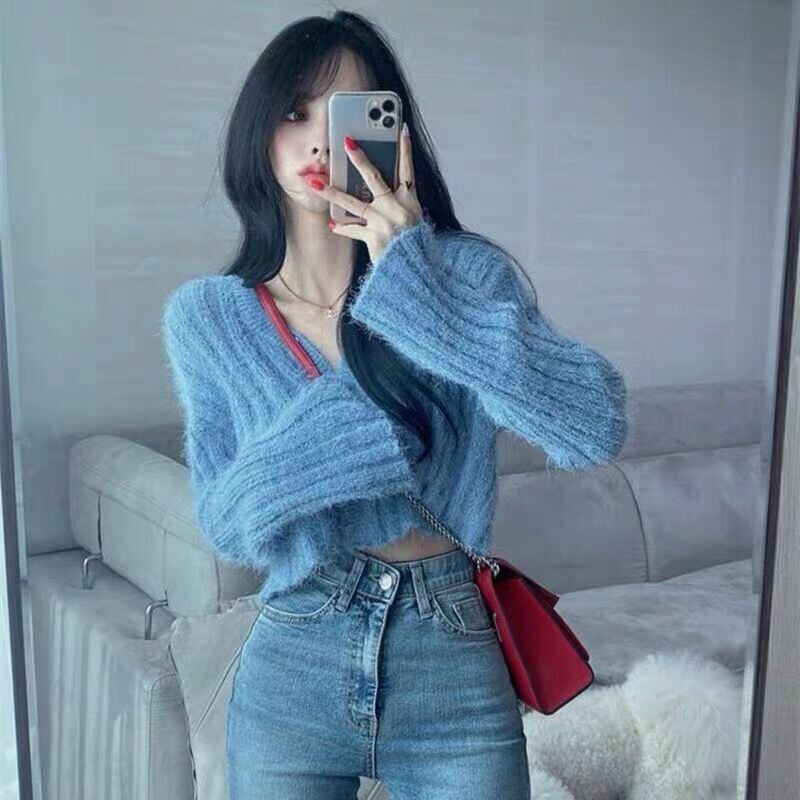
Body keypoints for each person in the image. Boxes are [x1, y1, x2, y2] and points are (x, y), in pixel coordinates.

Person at [161, 10, 628, 800]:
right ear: (258, 132)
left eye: (347, 113)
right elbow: (228, 523)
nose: (318, 141)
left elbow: (594, 426)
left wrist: (420, 292)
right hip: (294, 659)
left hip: (452, 654)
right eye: (294, 111)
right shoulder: (208, 316)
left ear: (393, 133)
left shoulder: (462, 278)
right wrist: (348, 439)